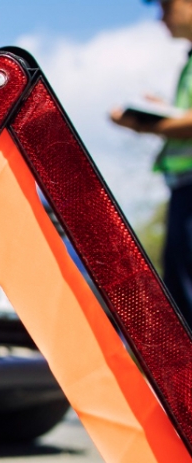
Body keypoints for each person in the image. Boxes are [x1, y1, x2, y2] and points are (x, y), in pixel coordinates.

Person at [112, 0, 192, 326]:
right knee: (179, 287)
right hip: (183, 187)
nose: (161, 17)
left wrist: (144, 123)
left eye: (166, 6)